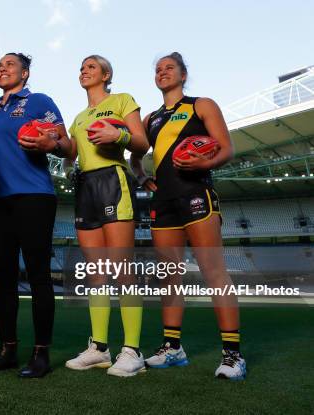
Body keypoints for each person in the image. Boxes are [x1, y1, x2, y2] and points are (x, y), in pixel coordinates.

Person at [131, 52, 246, 380]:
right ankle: (172, 349)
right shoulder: (150, 119)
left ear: (183, 74)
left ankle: (233, 356)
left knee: (214, 274)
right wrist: (141, 178)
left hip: (197, 196)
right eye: (158, 69)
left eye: (169, 68)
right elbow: (135, 156)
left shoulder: (201, 105)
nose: (162, 72)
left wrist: (203, 164)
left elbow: (226, 148)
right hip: (163, 203)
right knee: (169, 277)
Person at [0, 53, 71, 378]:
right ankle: (7, 350)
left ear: (25, 73)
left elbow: (68, 146)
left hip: (34, 196)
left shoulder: (38, 101)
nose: (2, 68)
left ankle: (41, 353)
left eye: (10, 64)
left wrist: (51, 142)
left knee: (38, 274)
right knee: (3, 278)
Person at [62, 55, 150, 377]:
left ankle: (133, 351)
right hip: (85, 186)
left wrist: (119, 137)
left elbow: (141, 141)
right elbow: (70, 151)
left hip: (113, 180)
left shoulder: (122, 100)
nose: (84, 70)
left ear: (106, 74)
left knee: (121, 268)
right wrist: (51, 142)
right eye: (81, 67)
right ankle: (99, 349)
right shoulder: (78, 118)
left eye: (91, 67)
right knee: (96, 273)